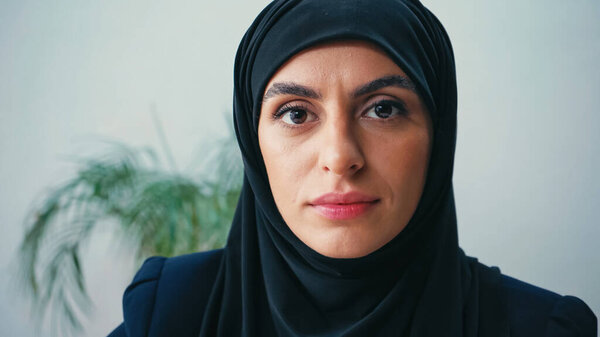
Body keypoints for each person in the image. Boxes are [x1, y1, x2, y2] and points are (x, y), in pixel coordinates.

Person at [108, 0, 596, 336]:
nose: (340, 156)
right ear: (254, 143)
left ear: (438, 133)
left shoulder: (539, 328)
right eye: (296, 113)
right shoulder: (169, 313)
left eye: (383, 109)